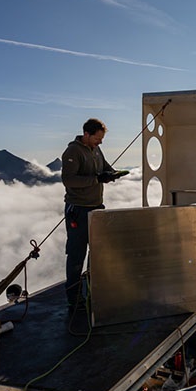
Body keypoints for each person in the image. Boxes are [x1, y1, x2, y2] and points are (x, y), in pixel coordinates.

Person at [61, 118, 122, 308]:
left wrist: (112, 173)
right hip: (78, 210)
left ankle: (94, 292)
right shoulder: (73, 151)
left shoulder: (95, 149)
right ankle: (74, 298)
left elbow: (104, 166)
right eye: (97, 139)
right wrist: (97, 179)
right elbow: (69, 180)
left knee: (98, 253)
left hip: (96, 207)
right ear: (86, 135)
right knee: (77, 254)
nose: (100, 142)